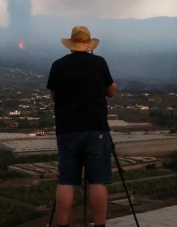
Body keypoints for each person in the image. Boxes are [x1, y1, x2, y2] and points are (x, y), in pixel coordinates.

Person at [47, 26, 117, 227]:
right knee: (97, 181)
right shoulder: (99, 62)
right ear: (88, 45)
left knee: (66, 181)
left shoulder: (57, 65)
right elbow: (111, 91)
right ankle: (100, 225)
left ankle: (62, 224)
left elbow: (54, 97)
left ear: (70, 45)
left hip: (66, 129)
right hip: (96, 129)